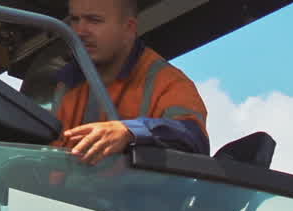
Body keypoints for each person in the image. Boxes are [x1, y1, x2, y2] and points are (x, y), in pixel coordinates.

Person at [53, 0, 209, 164]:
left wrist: (130, 132)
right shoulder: (66, 82)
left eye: (94, 20)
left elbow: (194, 137)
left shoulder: (168, 81)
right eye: (75, 20)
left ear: (129, 29)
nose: (79, 32)